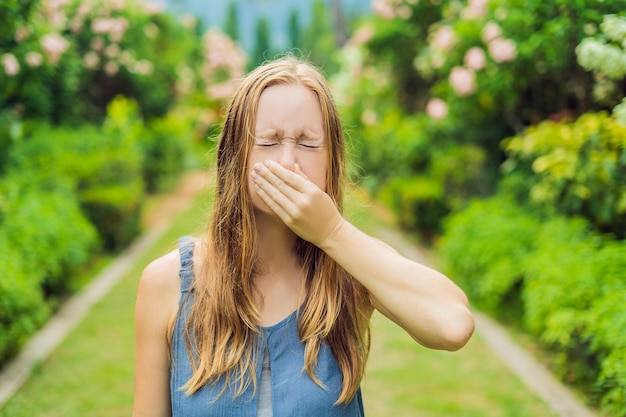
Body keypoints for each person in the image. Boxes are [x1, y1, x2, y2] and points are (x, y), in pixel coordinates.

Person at [132, 56, 474, 417]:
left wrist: (332, 231)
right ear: (236, 156)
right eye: (268, 141)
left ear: (331, 162)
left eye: (309, 144)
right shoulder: (167, 283)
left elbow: (453, 326)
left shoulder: (353, 267)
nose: (288, 162)